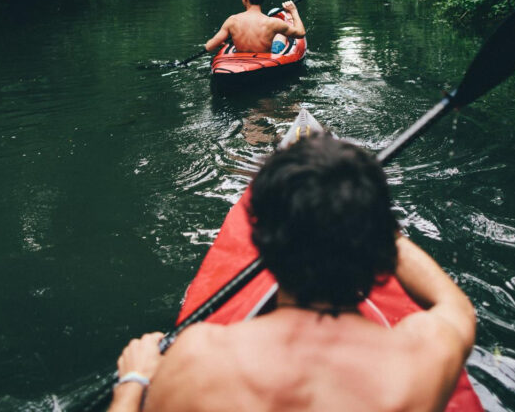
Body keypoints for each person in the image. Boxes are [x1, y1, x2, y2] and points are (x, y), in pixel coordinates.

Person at [108, 135, 477, 412]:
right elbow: (456, 306)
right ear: (378, 250)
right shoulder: (421, 359)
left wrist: (134, 381)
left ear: (263, 245)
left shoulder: (198, 357)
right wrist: (376, 228)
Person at [204, 0, 306, 54]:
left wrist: (218, 43)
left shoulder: (232, 21)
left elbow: (209, 46)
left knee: (279, 33)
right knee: (280, 35)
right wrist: (293, 11)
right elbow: (301, 33)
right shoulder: (274, 23)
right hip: (266, 60)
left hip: (240, 62)